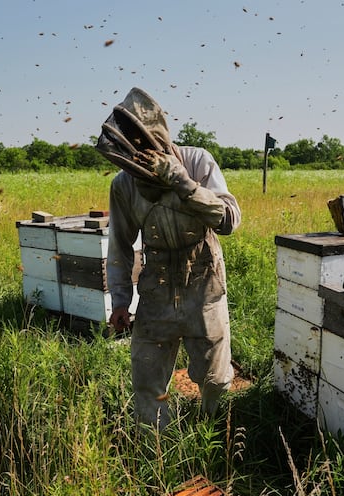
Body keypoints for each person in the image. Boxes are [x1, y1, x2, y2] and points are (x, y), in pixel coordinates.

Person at [96, 87, 242, 430]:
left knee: (216, 379)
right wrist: (119, 301)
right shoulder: (124, 185)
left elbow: (229, 221)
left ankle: (209, 429)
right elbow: (119, 245)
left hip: (203, 281)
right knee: (146, 380)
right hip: (157, 287)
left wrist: (182, 182)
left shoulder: (197, 161)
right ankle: (160, 448)